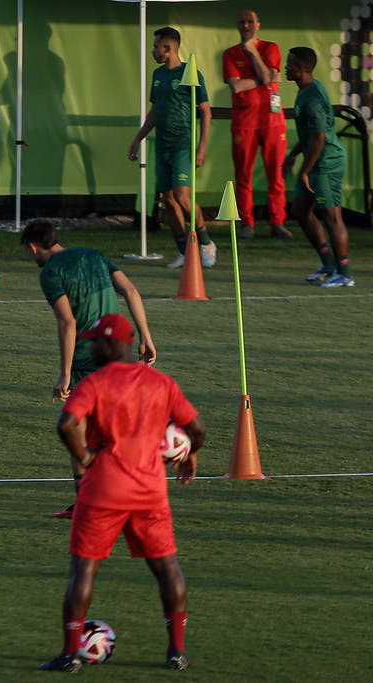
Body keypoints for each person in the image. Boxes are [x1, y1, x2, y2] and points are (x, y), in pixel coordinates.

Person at [38, 313, 206, 673]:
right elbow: (197, 428)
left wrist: (84, 456)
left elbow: (66, 424)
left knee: (83, 570)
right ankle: (176, 650)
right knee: (167, 568)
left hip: (104, 490)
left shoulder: (95, 384)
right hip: (150, 492)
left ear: (114, 344)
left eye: (96, 340)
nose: (91, 345)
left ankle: (69, 655)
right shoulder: (162, 382)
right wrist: (190, 454)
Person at [20, 219, 157, 519]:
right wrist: (145, 336)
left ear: (33, 247)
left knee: (76, 428)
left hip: (87, 360)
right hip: (120, 355)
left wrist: (65, 373)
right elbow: (131, 291)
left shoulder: (51, 272)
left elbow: (67, 322)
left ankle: (89, 501)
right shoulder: (94, 255)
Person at [129, 27, 217, 269]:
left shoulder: (191, 73)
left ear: (167, 48)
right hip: (163, 146)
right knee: (168, 199)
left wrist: (201, 147)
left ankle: (206, 243)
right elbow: (155, 111)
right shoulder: (158, 75)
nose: (152, 51)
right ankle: (185, 252)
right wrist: (138, 139)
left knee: (182, 196)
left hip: (183, 145)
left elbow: (206, 111)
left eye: (155, 46)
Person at [283, 47, 355, 288]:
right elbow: (308, 136)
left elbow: (318, 140)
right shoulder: (305, 90)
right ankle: (328, 263)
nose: (285, 68)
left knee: (332, 216)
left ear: (303, 68)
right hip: (315, 160)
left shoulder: (313, 98)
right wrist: (293, 155)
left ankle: (345, 273)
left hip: (327, 162)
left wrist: (304, 171)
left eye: (290, 64)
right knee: (300, 210)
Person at [222, 9, 292, 240]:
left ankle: (278, 222)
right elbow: (237, 86)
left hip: (272, 122)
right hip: (244, 122)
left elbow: (267, 75)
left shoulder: (270, 48)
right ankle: (247, 223)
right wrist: (265, 78)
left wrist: (252, 51)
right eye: (242, 21)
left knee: (276, 174)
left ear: (258, 25)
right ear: (237, 25)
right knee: (243, 175)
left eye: (250, 21)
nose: (246, 25)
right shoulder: (230, 54)